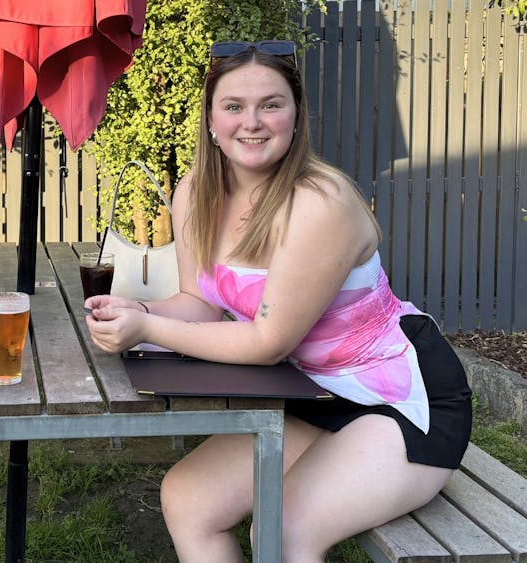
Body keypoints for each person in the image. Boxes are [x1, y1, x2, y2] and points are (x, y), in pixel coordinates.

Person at [84, 40, 472, 562]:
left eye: (271, 104)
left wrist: (148, 331)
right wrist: (137, 313)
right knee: (188, 498)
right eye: (234, 106)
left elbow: (267, 342)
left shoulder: (319, 203)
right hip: (314, 395)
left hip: (401, 401)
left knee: (285, 529)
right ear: (211, 121)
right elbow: (198, 304)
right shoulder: (196, 193)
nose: (253, 122)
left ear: (295, 116)